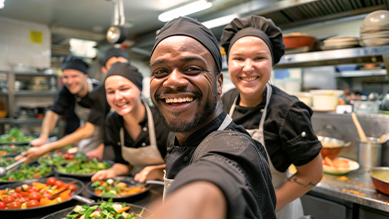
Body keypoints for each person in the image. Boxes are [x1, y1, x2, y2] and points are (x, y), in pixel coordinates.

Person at [147, 16, 276, 219]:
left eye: (192, 69)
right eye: (160, 71)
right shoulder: (179, 133)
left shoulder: (234, 146)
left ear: (219, 84)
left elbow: (217, 175)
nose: (173, 81)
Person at [220, 15, 323, 218]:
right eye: (239, 58)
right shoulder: (223, 102)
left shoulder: (288, 110)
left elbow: (312, 174)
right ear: (228, 63)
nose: (248, 67)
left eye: (259, 58)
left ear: (271, 62)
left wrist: (262, 207)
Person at [22, 49, 130, 161]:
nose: (69, 81)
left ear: (85, 76)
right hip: (91, 132)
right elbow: (53, 112)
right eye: (65, 77)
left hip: (108, 134)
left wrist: (48, 148)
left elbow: (92, 129)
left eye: (74, 76)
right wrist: (43, 137)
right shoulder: (67, 90)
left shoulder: (100, 92)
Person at [91, 62, 169, 183]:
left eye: (124, 89)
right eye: (111, 92)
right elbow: (123, 164)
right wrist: (112, 172)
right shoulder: (112, 121)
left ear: (139, 90)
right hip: (135, 187)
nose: (117, 97)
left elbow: (184, 164)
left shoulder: (163, 119)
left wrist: (157, 171)